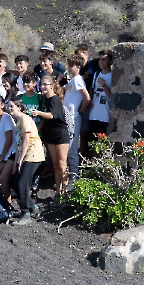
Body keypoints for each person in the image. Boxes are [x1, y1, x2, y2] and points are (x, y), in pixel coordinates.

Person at [7, 99, 45, 225]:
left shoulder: (24, 119)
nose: (9, 108)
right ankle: (33, 208)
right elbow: (19, 144)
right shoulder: (18, 122)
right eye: (8, 106)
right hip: (25, 154)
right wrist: (16, 163)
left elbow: (27, 142)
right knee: (16, 182)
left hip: (33, 154)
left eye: (12, 106)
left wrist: (21, 160)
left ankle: (25, 214)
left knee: (22, 184)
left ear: (19, 107)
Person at [31, 76, 69, 199]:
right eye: (41, 84)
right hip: (50, 134)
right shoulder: (45, 100)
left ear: (52, 85)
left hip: (60, 134)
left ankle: (65, 190)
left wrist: (39, 113)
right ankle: (58, 191)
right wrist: (36, 131)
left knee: (63, 164)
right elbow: (44, 120)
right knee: (55, 164)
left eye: (45, 84)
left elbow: (51, 115)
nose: (42, 87)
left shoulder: (55, 99)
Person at [63, 54, 91, 190]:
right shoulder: (73, 80)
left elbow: (87, 98)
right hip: (68, 117)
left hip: (72, 117)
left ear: (78, 67)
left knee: (72, 148)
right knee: (67, 147)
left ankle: (74, 178)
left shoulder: (77, 80)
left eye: (71, 65)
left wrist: (80, 110)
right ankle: (67, 178)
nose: (69, 68)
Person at [75, 44, 100, 158]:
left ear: (86, 54)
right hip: (81, 102)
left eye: (81, 55)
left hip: (92, 102)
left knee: (88, 133)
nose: (79, 58)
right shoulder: (78, 69)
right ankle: (81, 155)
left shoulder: (93, 64)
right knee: (81, 133)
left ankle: (86, 156)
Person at [89, 50, 113, 144]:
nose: (101, 62)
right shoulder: (96, 74)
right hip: (94, 113)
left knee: (102, 144)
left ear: (110, 61)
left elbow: (112, 96)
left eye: (104, 59)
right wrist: (90, 99)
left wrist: (104, 85)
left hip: (105, 115)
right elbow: (92, 88)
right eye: (100, 59)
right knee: (92, 142)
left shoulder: (113, 75)